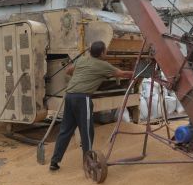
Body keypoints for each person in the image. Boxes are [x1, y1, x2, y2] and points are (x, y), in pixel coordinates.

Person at [49, 41, 134, 171]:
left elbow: (68, 71)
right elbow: (122, 74)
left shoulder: (82, 60)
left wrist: (80, 75)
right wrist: (139, 72)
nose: (106, 53)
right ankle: (89, 163)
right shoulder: (103, 65)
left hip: (70, 96)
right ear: (101, 53)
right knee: (87, 131)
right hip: (83, 99)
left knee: (65, 130)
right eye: (105, 51)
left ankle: (54, 162)